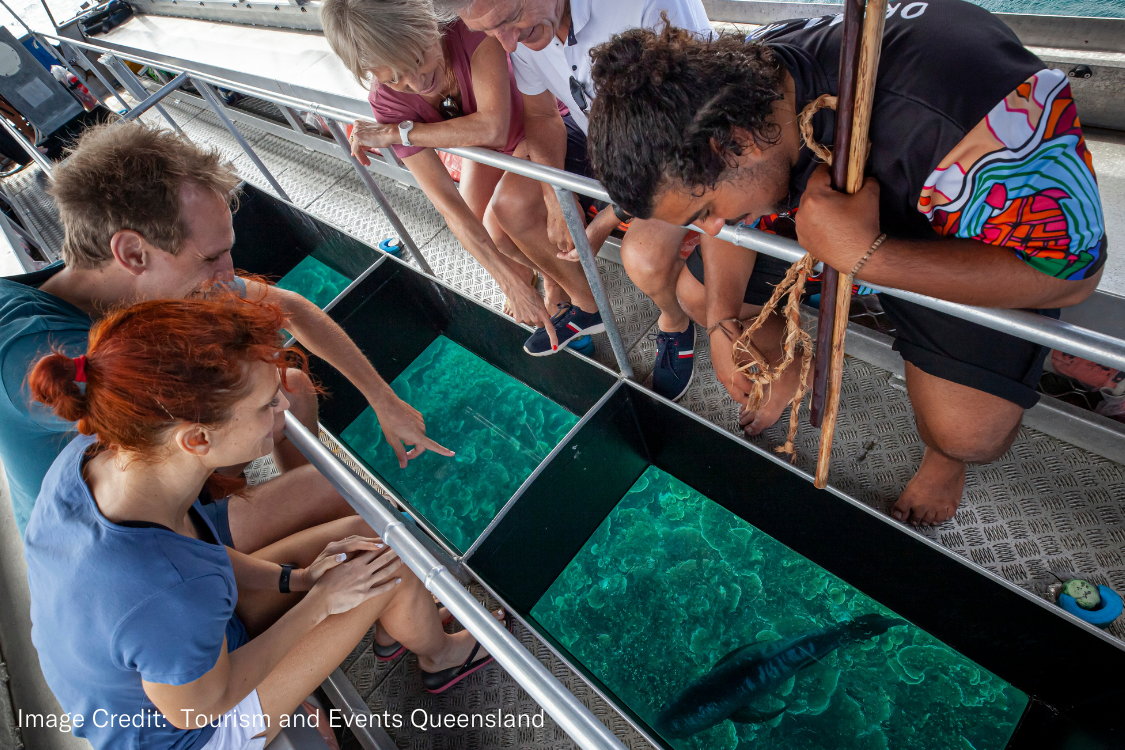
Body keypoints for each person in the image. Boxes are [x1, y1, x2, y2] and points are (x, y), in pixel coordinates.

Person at [586, 1, 1106, 525]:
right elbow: (735, 221)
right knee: (701, 297)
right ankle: (786, 363)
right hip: (842, 226)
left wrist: (869, 259)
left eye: (705, 211)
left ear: (735, 143)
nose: (713, 228)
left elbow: (1075, 274)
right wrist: (724, 324)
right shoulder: (740, 84)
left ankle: (945, 462)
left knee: (969, 432)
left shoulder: (970, 109)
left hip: (955, 236)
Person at [23, 294, 503, 750]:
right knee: (389, 566)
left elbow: (194, 556)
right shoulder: (165, 589)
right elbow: (198, 708)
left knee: (367, 535)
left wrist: (295, 579)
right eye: (266, 405)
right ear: (196, 439)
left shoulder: (97, 457)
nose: (283, 406)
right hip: (195, 729)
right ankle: (442, 658)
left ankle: (394, 627)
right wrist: (319, 603)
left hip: (173, 650)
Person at [0, 121, 452, 543]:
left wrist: (383, 399)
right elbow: (206, 421)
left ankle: (311, 528)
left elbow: (291, 308)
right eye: (210, 258)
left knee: (291, 389)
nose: (228, 274)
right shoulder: (35, 351)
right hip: (110, 539)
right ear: (133, 253)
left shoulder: (144, 284)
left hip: (164, 462)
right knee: (355, 511)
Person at [440, 0, 725, 399]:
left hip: (681, 154)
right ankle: (585, 303)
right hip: (601, 139)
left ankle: (675, 322)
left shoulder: (648, 6)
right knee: (509, 206)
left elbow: (690, 138)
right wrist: (555, 193)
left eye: (509, 21)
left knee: (641, 257)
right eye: (489, 33)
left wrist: (604, 220)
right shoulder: (521, 32)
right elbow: (541, 116)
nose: (507, 45)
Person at [323, 0, 571, 347]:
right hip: (490, 150)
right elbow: (447, 204)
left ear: (428, 21)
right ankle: (532, 274)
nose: (417, 81)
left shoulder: (468, 27)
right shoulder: (387, 101)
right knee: (473, 218)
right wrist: (506, 282)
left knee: (501, 227)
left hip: (537, 124)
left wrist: (401, 133)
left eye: (418, 58)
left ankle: (556, 281)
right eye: (394, 78)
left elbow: (493, 127)